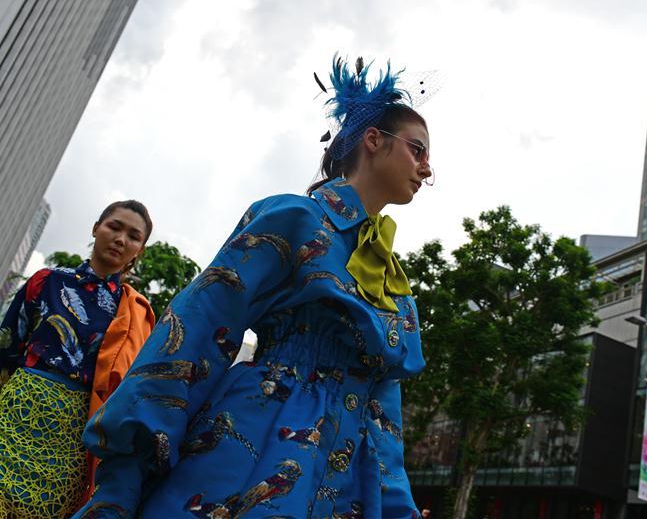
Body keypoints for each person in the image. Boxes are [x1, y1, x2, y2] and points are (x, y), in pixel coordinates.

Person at [73, 56, 434, 518]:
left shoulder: (391, 278)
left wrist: (397, 506)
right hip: (255, 444)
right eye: (418, 150)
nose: (426, 169)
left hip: (348, 483)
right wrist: (129, 466)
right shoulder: (295, 218)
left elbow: (384, 408)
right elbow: (201, 325)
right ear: (373, 139)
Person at [0, 201, 156, 518]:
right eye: (114, 227)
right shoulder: (46, 282)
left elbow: (129, 399)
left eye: (134, 236)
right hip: (2, 433)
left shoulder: (137, 314)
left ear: (139, 250)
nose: (121, 239)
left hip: (66, 457)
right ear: (96, 228)